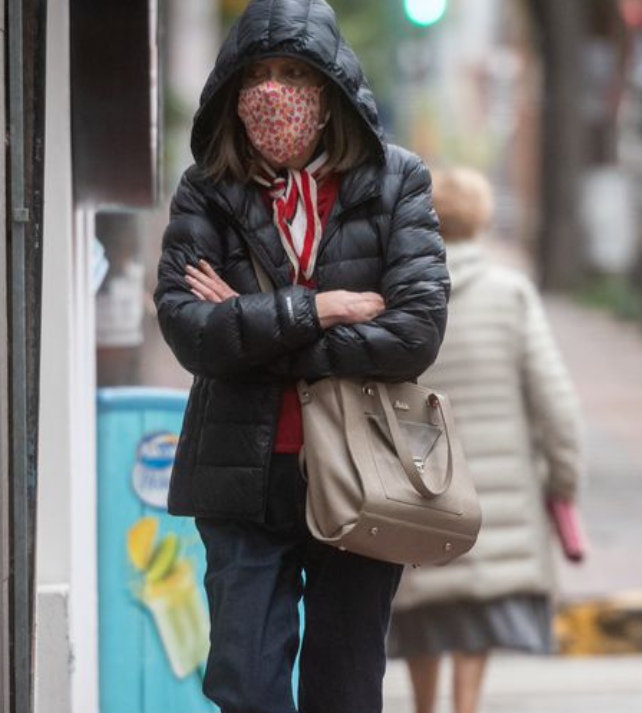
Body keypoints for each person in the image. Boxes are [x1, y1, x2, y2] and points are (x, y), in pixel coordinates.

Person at [152, 0, 449, 710]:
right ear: (232, 89)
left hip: (362, 471)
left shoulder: (396, 181)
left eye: (293, 73)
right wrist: (316, 307)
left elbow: (415, 332)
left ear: (330, 87)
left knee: (345, 688)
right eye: (257, 74)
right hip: (240, 476)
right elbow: (190, 330)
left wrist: (252, 324)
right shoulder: (207, 190)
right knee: (244, 684)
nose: (272, 91)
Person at [386, 167, 584, 713]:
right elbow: (557, 404)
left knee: (424, 607)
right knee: (474, 608)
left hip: (417, 481)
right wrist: (564, 483)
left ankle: (424, 707)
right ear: (483, 219)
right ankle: (466, 705)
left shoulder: (399, 293)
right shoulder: (510, 294)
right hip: (495, 492)